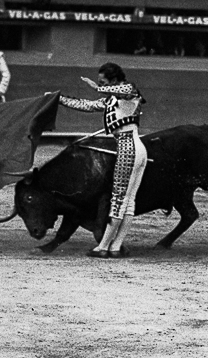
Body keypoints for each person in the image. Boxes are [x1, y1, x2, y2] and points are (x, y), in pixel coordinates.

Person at [53, 63, 147, 258]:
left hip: (128, 147)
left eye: (103, 81)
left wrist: (98, 88)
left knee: (119, 199)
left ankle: (103, 247)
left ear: (114, 80)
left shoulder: (130, 91)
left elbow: (126, 90)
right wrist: (57, 99)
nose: (100, 84)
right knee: (128, 202)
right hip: (135, 148)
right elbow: (86, 105)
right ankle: (114, 247)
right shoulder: (111, 100)